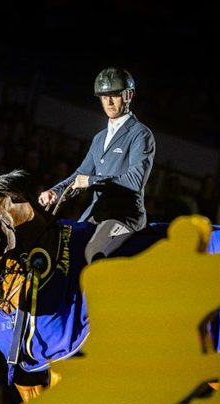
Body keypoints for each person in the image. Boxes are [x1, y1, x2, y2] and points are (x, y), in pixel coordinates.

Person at [38, 67, 156, 262]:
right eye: (104, 97)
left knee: (92, 252)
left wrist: (92, 181)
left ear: (129, 95)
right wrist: (56, 191)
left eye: (115, 96)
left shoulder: (141, 134)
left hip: (125, 214)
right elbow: (81, 174)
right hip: (98, 211)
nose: (108, 102)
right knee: (64, 248)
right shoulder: (99, 138)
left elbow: (135, 181)